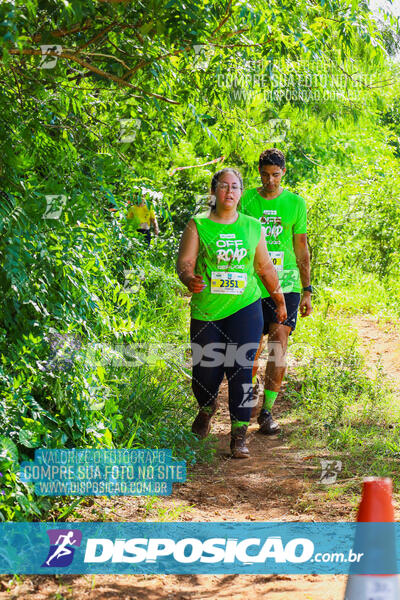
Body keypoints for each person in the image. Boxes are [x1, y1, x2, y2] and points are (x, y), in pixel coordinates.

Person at [176, 168, 287, 459]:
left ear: (240, 192)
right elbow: (185, 262)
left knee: (242, 371)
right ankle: (206, 406)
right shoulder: (198, 224)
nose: (229, 191)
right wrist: (189, 279)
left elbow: (264, 267)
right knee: (205, 373)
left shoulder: (252, 227)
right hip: (207, 311)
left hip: (245, 308)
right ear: (213, 191)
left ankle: (239, 435)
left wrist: (279, 300)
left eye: (235, 187)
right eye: (223, 186)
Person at [240, 149, 312, 435]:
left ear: (284, 173)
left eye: (276, 175)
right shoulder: (246, 200)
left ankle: (267, 412)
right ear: (259, 173)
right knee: (252, 349)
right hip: (253, 285)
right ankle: (246, 404)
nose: (270, 180)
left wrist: (307, 289)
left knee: (279, 344)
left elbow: (301, 248)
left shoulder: (295, 203)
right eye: (265, 175)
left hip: (288, 283)